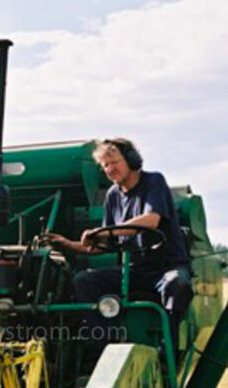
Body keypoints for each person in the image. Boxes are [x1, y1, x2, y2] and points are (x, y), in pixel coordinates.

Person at [42, 137, 193, 352]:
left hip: (166, 268)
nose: (110, 169)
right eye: (105, 166)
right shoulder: (112, 196)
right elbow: (102, 245)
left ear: (131, 160)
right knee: (83, 281)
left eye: (114, 162)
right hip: (134, 271)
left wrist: (104, 232)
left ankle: (167, 348)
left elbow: (151, 221)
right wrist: (68, 244)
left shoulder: (154, 182)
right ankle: (107, 347)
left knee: (177, 284)